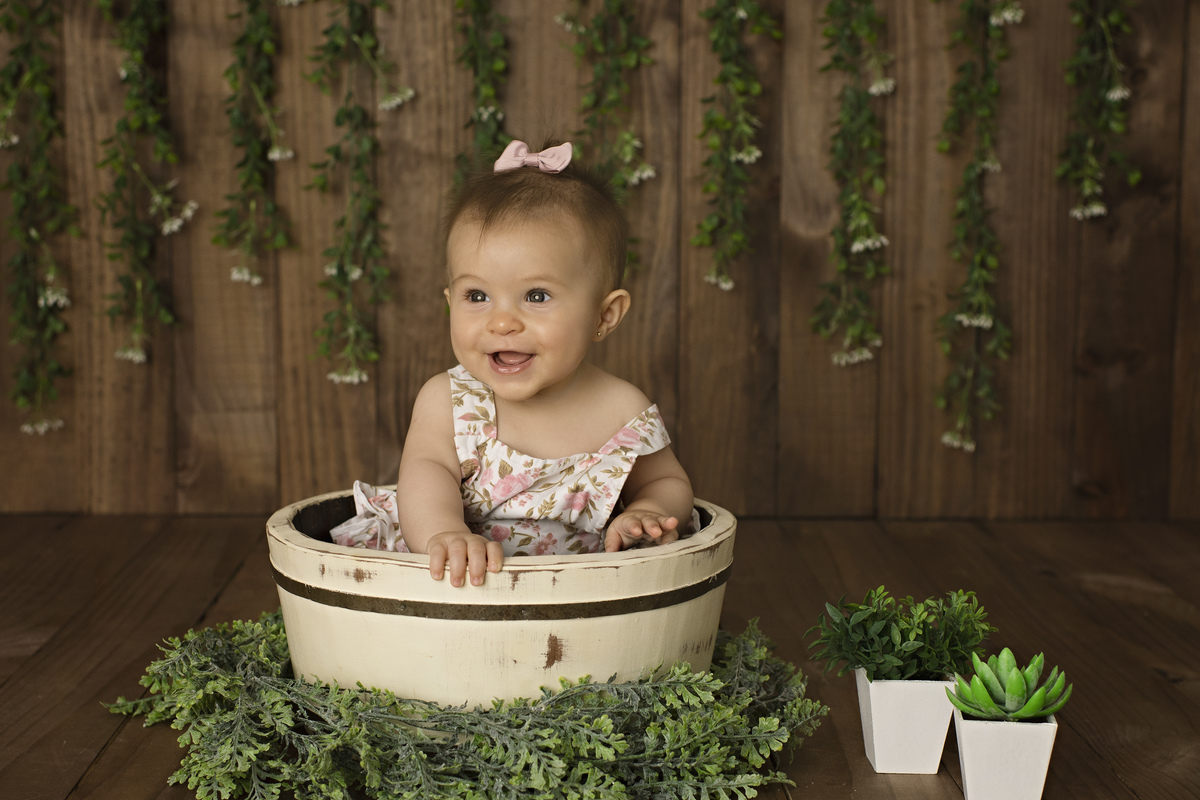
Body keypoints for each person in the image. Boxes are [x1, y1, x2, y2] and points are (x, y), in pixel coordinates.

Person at [389, 138, 694, 588]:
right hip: (454, 589)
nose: (503, 322)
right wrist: (446, 533)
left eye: (536, 296)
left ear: (603, 316)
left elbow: (666, 481)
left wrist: (650, 511)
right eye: (477, 296)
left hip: (578, 602)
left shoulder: (621, 410)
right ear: (450, 301)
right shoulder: (450, 402)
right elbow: (423, 476)